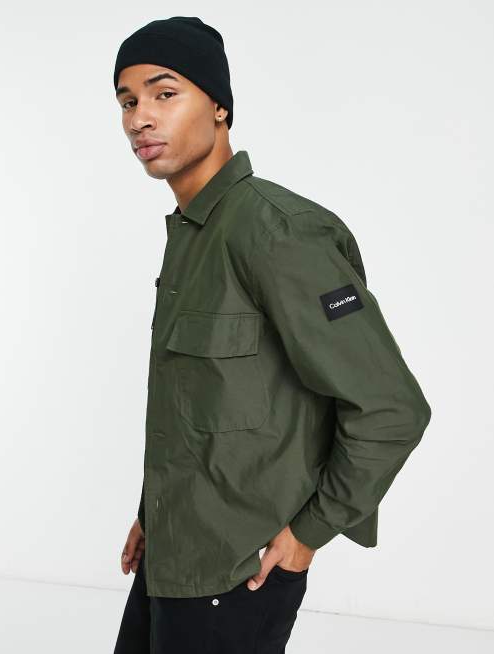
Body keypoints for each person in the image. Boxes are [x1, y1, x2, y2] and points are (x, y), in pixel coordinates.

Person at [111, 15, 432, 654]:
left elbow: (392, 408)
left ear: (219, 107)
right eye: (127, 102)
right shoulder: (192, 235)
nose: (140, 118)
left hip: (239, 572)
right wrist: (154, 511)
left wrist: (310, 532)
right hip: (173, 554)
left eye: (164, 93)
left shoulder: (277, 234)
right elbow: (201, 403)